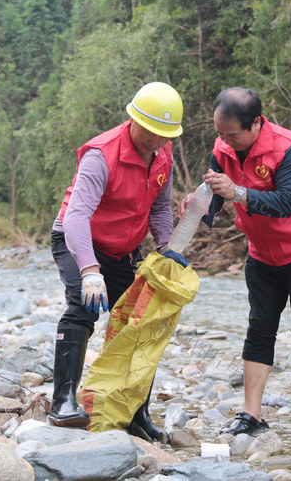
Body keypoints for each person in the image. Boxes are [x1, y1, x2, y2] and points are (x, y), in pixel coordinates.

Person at [179, 87, 291, 439]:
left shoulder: (288, 147)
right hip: (261, 252)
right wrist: (198, 203)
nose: (224, 141)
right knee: (259, 328)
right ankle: (251, 414)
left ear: (256, 123)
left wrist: (234, 191)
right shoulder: (223, 148)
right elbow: (215, 201)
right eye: (219, 133)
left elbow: (284, 203)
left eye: (231, 134)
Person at [48, 81, 190, 441]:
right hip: (78, 240)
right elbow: (77, 216)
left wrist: (165, 248)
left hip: (125, 249)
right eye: (150, 132)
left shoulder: (162, 154)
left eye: (163, 135)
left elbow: (159, 206)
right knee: (83, 309)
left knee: (143, 321)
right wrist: (90, 270)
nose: (156, 141)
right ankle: (63, 402)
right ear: (133, 119)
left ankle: (136, 413)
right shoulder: (101, 154)